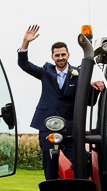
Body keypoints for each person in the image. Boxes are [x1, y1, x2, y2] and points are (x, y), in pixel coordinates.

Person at [16, 26, 80, 178]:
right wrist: (26, 42)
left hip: (70, 124)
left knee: (80, 161)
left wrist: (94, 84)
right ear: (52, 57)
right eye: (57, 55)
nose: (60, 58)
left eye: (63, 54)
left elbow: (87, 92)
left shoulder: (78, 73)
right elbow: (24, 64)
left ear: (68, 55)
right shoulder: (46, 72)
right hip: (46, 123)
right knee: (50, 161)